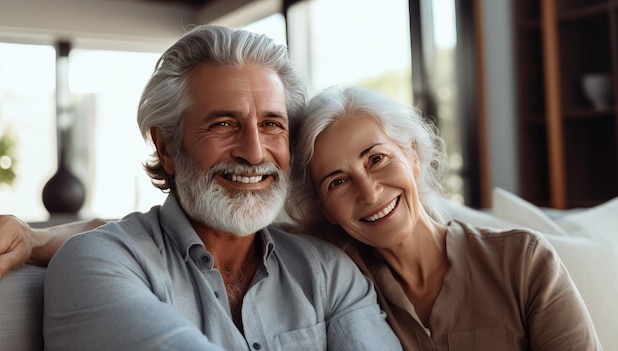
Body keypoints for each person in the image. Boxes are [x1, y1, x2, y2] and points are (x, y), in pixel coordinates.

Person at [1, 25, 402, 351]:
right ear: (167, 147)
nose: (254, 151)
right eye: (223, 124)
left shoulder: (329, 272)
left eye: (271, 124)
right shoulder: (97, 263)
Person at [284, 86, 602, 350]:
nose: (368, 193)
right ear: (326, 211)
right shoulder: (337, 292)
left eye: (376, 159)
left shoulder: (523, 261)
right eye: (337, 182)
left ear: (412, 156)